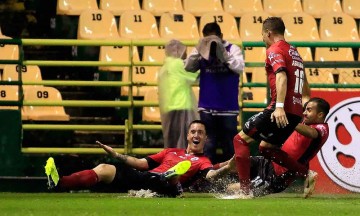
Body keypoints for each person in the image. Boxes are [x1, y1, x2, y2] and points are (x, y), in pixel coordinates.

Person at [44, 120, 233, 197]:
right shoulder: (171, 151)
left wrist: (229, 165)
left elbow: (210, 175)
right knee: (103, 168)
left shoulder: (203, 161)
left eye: (200, 132)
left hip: (161, 185)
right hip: (147, 178)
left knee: (168, 179)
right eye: (193, 131)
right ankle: (60, 183)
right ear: (187, 136)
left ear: (205, 138)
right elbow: (141, 164)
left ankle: (172, 182)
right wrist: (116, 155)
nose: (196, 135)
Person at [232, 17, 311, 197]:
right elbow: (305, 83)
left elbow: (281, 76)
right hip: (296, 112)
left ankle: (245, 192)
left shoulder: (274, 50)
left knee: (240, 140)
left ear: (268, 33)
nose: (262, 39)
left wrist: (280, 107)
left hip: (280, 109)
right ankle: (306, 173)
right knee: (266, 148)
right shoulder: (295, 52)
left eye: (262, 35)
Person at [223, 97, 330, 198]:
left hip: (279, 176)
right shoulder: (304, 121)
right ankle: (209, 174)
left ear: (320, 115)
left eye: (309, 110)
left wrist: (291, 121)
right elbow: (306, 95)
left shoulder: (322, 128)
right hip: (269, 161)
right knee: (234, 163)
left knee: (232, 189)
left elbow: (312, 133)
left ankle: (216, 187)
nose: (304, 113)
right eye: (305, 109)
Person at [184, 22, 245, 164]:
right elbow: (188, 67)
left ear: (221, 36)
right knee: (208, 146)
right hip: (207, 107)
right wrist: (199, 49)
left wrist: (223, 54)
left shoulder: (232, 49)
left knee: (229, 146)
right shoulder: (201, 50)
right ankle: (205, 176)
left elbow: (239, 68)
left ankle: (232, 177)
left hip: (227, 108)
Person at [158, 39, 199, 149]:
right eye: (184, 52)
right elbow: (195, 75)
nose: (185, 54)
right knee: (184, 142)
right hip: (181, 106)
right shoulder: (178, 64)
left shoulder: (166, 65)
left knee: (173, 140)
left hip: (169, 108)